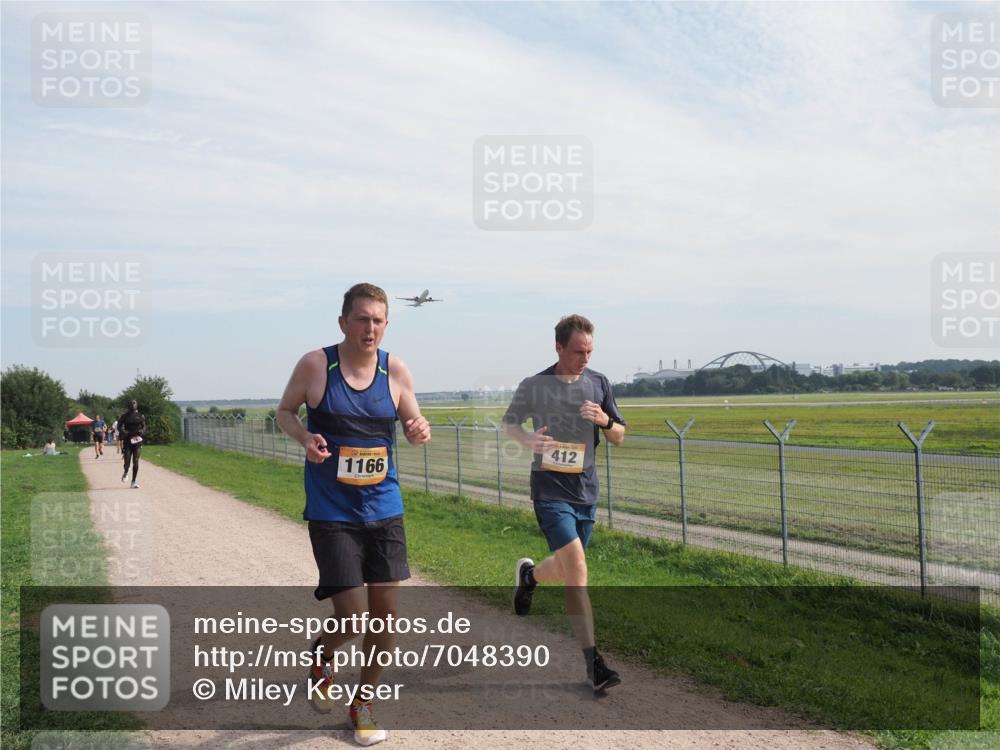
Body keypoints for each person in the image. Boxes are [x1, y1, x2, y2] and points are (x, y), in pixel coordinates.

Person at [276, 282, 430, 747]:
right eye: (362, 319)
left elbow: (413, 423)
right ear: (343, 322)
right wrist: (305, 439)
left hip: (384, 507)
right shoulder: (316, 365)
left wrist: (418, 429)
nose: (370, 328)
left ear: (387, 324)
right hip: (332, 511)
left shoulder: (395, 370)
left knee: (384, 617)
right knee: (353, 615)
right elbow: (284, 412)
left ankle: (362, 704)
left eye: (378, 320)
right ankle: (323, 656)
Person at [503, 314, 626, 692]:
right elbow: (510, 424)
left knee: (567, 567)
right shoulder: (535, 386)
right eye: (577, 351)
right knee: (578, 569)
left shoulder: (599, 383)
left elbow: (620, 435)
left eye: (589, 351)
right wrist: (529, 442)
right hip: (550, 491)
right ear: (558, 347)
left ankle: (529, 577)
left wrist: (605, 420)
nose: (585, 358)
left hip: (586, 492)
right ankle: (594, 664)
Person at [116, 400, 146, 489]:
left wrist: (142, 431)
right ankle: (125, 471)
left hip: (137, 440)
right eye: (131, 403)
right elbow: (119, 426)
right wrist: (123, 431)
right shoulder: (124, 416)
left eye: (134, 403)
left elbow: (144, 426)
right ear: (128, 405)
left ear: (137, 405)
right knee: (127, 462)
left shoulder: (141, 416)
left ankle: (133, 481)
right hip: (128, 440)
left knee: (136, 461)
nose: (133, 405)